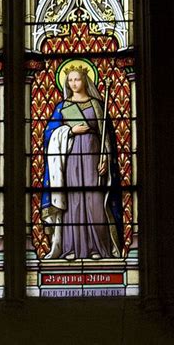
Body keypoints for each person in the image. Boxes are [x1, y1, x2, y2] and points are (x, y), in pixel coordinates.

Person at [41, 64, 123, 260]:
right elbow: (48, 135)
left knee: (95, 200)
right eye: (70, 80)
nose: (73, 83)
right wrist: (70, 131)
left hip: (93, 155)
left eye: (77, 79)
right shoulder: (62, 107)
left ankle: (97, 248)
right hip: (71, 158)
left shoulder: (97, 105)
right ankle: (70, 249)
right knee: (74, 201)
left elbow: (107, 136)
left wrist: (105, 157)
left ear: (85, 80)